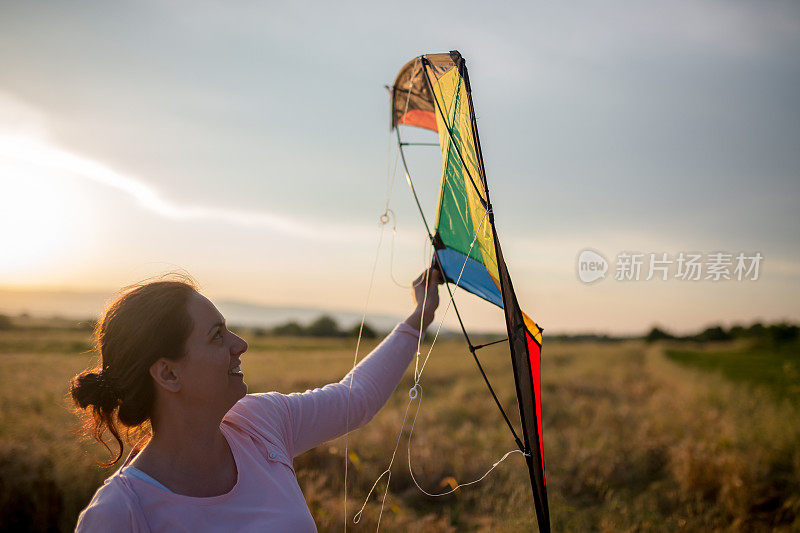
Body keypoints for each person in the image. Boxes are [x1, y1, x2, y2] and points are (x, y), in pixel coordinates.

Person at [71, 269, 442, 532]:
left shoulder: (261, 422)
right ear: (168, 373)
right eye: (217, 336)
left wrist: (419, 316)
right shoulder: (120, 514)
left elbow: (355, 398)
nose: (240, 344)